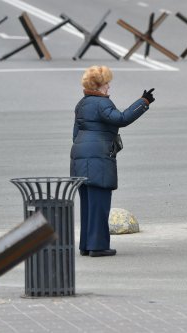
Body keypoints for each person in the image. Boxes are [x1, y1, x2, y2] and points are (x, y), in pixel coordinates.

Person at [70, 65, 155, 257]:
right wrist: (143, 102)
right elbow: (122, 119)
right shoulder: (102, 104)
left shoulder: (81, 104)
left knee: (88, 205)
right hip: (98, 159)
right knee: (100, 204)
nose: (109, 87)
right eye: (107, 83)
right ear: (99, 85)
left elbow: (75, 134)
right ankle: (98, 246)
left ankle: (86, 244)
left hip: (79, 158)